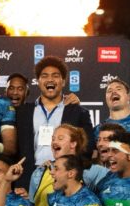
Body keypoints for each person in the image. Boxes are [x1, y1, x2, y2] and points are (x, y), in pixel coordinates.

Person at [15, 56, 93, 190]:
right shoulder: (23, 112)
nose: (50, 79)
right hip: (29, 178)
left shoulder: (78, 112)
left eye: (55, 76)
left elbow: (87, 147)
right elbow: (16, 148)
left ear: (63, 82)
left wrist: (70, 170)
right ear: (38, 81)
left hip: (65, 177)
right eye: (44, 76)